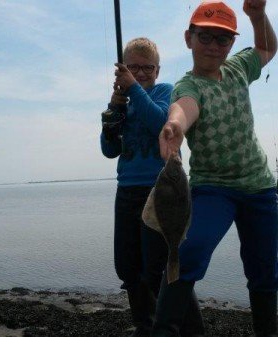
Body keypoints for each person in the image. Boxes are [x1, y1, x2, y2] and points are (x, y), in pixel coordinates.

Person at [153, 1, 278, 336]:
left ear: (231, 44)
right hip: (213, 188)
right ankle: (163, 329)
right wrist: (174, 128)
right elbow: (183, 109)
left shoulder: (240, 67)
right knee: (189, 249)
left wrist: (257, 16)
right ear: (188, 38)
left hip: (260, 187)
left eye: (222, 40)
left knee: (264, 269)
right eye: (205, 37)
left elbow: (267, 47)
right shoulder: (189, 86)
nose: (213, 46)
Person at [100, 37, 204, 337]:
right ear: (123, 69)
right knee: (128, 267)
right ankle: (145, 326)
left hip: (162, 192)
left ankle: (191, 330)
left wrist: (132, 89)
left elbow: (161, 121)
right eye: (133, 67)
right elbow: (109, 150)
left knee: (163, 265)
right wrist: (113, 111)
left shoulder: (165, 92)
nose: (141, 73)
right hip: (128, 192)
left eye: (147, 68)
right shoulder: (124, 103)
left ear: (157, 70)